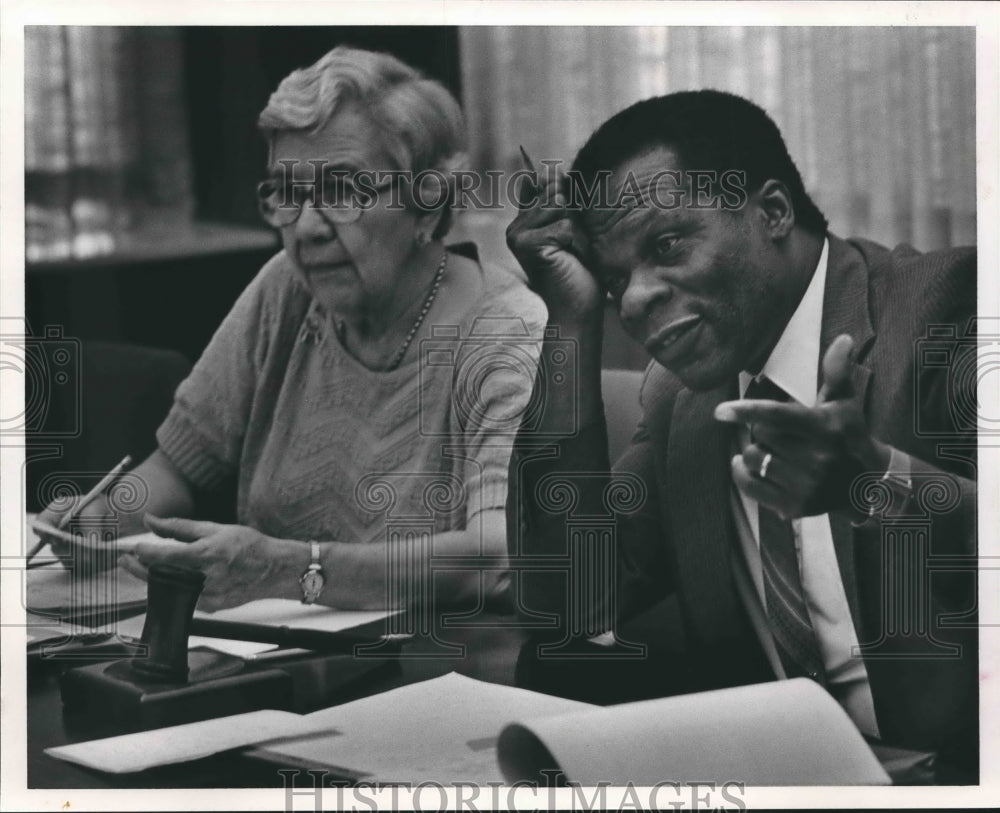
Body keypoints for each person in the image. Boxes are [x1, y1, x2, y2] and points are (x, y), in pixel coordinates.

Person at [506, 90, 977, 774]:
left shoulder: (950, 307)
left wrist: (880, 482)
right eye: (615, 279)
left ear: (773, 212)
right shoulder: (681, 401)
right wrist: (572, 318)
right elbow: (569, 599)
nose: (634, 299)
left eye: (667, 245)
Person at [39, 46, 546, 613]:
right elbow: (177, 466)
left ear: (428, 204)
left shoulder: (505, 330)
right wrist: (105, 516)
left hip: (433, 668)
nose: (306, 227)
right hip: (268, 661)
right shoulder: (288, 289)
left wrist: (293, 570)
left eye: (340, 191)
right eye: (288, 193)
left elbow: (497, 555)